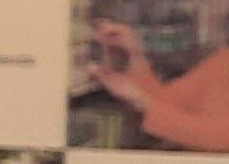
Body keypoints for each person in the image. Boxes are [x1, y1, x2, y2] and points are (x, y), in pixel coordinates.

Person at [86, 17, 229, 151]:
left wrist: (142, 101)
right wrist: (134, 57)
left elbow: (219, 137)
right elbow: (169, 102)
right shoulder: (223, 61)